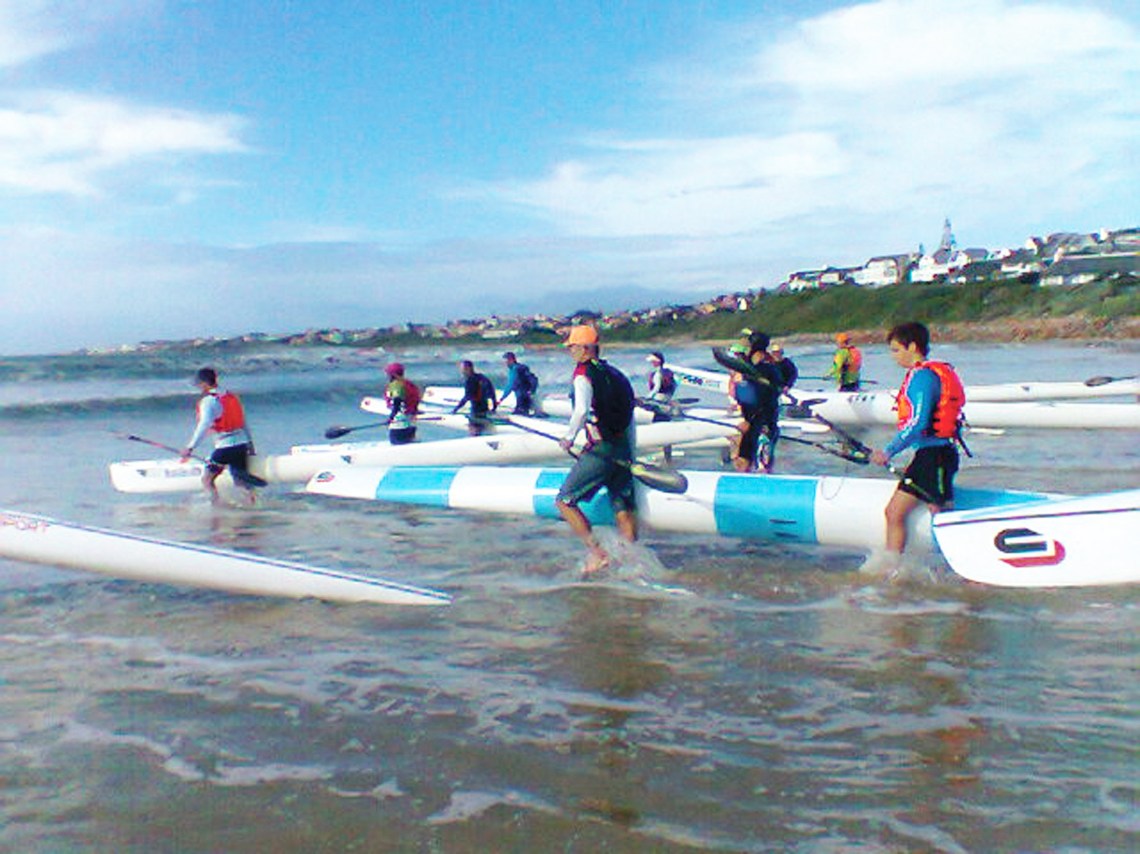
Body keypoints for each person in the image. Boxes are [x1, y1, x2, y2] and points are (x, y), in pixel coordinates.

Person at [868, 322, 966, 573]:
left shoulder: (922, 376)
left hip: (935, 457)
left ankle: (961, 570)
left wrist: (888, 451)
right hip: (933, 456)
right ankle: (895, 568)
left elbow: (918, 423)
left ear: (912, 346)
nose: (894, 357)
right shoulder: (927, 373)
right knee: (899, 512)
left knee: (923, 514)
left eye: (895, 350)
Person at [555, 325, 638, 575]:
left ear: (584, 348)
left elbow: (581, 411)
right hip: (623, 448)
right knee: (622, 504)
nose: (570, 351)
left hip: (602, 450)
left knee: (565, 500)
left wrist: (569, 438)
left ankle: (598, 553)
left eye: (572, 347)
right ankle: (632, 559)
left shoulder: (583, 374)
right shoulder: (615, 373)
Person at [180, 367, 256, 505]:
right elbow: (243, 422)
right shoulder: (231, 396)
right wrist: (250, 444)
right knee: (240, 481)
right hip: (241, 445)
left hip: (225, 448)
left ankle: (216, 507)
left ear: (204, 383)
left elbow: (204, 425)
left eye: (198, 384)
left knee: (207, 479)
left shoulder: (209, 401)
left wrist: (190, 447)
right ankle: (252, 505)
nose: (198, 387)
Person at [731, 330, 783, 473]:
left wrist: (747, 419)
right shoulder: (762, 368)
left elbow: (760, 396)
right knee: (743, 461)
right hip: (757, 420)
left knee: (759, 464)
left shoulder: (765, 369)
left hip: (762, 421)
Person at [452, 360, 497, 435]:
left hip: (476, 411)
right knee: (485, 432)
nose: (461, 371)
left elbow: (467, 396)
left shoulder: (470, 380)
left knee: (474, 434)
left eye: (462, 368)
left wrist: (455, 409)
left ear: (468, 368)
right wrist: (494, 406)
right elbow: (492, 392)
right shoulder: (482, 377)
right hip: (485, 408)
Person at [383, 362, 421, 445]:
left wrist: (390, 418)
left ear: (392, 374)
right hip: (411, 422)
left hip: (399, 423)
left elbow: (397, 403)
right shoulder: (409, 384)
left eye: (388, 374)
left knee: (397, 445)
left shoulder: (396, 385)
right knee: (409, 444)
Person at [501, 351, 538, 415]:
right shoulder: (520, 367)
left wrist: (502, 398)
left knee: (520, 412)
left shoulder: (515, 369)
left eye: (506, 361)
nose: (505, 363)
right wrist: (532, 390)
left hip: (522, 395)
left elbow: (510, 385)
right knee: (524, 411)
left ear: (511, 360)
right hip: (527, 394)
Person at [645, 351, 676, 421]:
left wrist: (648, 397)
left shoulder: (657, 374)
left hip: (659, 397)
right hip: (667, 396)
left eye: (653, 361)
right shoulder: (667, 372)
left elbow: (656, 388)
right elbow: (675, 385)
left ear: (658, 362)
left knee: (648, 406)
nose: (652, 363)